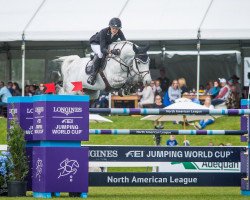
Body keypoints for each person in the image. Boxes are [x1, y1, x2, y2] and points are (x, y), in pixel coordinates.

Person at [88, 17, 126, 85]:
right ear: (110, 27)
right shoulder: (103, 31)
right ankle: (93, 75)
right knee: (100, 54)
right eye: (113, 28)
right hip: (96, 43)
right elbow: (102, 49)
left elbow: (124, 42)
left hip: (105, 44)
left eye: (117, 29)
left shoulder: (119, 32)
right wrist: (111, 51)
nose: (115, 30)